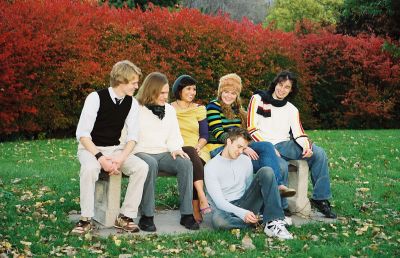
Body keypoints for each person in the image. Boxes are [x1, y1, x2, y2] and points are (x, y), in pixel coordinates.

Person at [246, 70, 337, 218]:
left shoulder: (292, 109)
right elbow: (251, 128)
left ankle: (320, 199)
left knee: (319, 153)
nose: (282, 89)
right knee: (281, 166)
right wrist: (268, 147)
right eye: (280, 85)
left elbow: (299, 133)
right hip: (263, 145)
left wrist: (307, 147)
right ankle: (281, 208)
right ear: (275, 84)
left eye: (287, 87)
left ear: (291, 90)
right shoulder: (258, 99)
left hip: (284, 145)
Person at [73, 60, 149, 234]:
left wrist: (121, 158)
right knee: (90, 169)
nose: (137, 86)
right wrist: (100, 158)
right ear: (121, 81)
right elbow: (83, 135)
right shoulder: (95, 98)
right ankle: (86, 219)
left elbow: (133, 137)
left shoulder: (132, 103)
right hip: (90, 149)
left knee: (141, 167)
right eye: (134, 82)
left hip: (115, 149)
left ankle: (125, 216)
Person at [205, 73, 296, 198]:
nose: (229, 96)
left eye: (233, 93)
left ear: (237, 94)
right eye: (226, 91)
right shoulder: (213, 106)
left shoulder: (237, 109)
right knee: (268, 163)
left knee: (267, 148)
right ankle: (274, 190)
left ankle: (277, 187)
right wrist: (243, 147)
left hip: (238, 148)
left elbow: (244, 133)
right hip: (220, 148)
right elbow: (219, 133)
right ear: (220, 91)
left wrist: (244, 146)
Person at [134, 72, 199, 231]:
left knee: (185, 163)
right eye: (161, 93)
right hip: (140, 151)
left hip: (163, 152)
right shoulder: (136, 108)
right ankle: (147, 216)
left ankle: (187, 214)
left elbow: (174, 135)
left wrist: (176, 148)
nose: (165, 96)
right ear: (151, 90)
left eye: (166, 92)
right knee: (150, 164)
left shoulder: (169, 110)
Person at [204, 128, 293, 240]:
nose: (241, 151)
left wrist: (248, 209)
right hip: (225, 209)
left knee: (267, 171)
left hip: (244, 202)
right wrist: (243, 213)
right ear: (228, 142)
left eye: (244, 148)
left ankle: (272, 221)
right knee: (219, 222)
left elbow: (249, 188)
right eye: (239, 147)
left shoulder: (245, 160)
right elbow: (219, 202)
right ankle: (264, 219)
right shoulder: (211, 167)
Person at [171, 75, 211, 223]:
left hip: (197, 148)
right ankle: (201, 199)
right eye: (189, 88)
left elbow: (205, 134)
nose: (192, 92)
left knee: (196, 161)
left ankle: (196, 203)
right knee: (190, 155)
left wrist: (199, 146)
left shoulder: (199, 109)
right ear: (179, 89)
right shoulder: (169, 108)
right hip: (176, 148)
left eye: (194, 89)